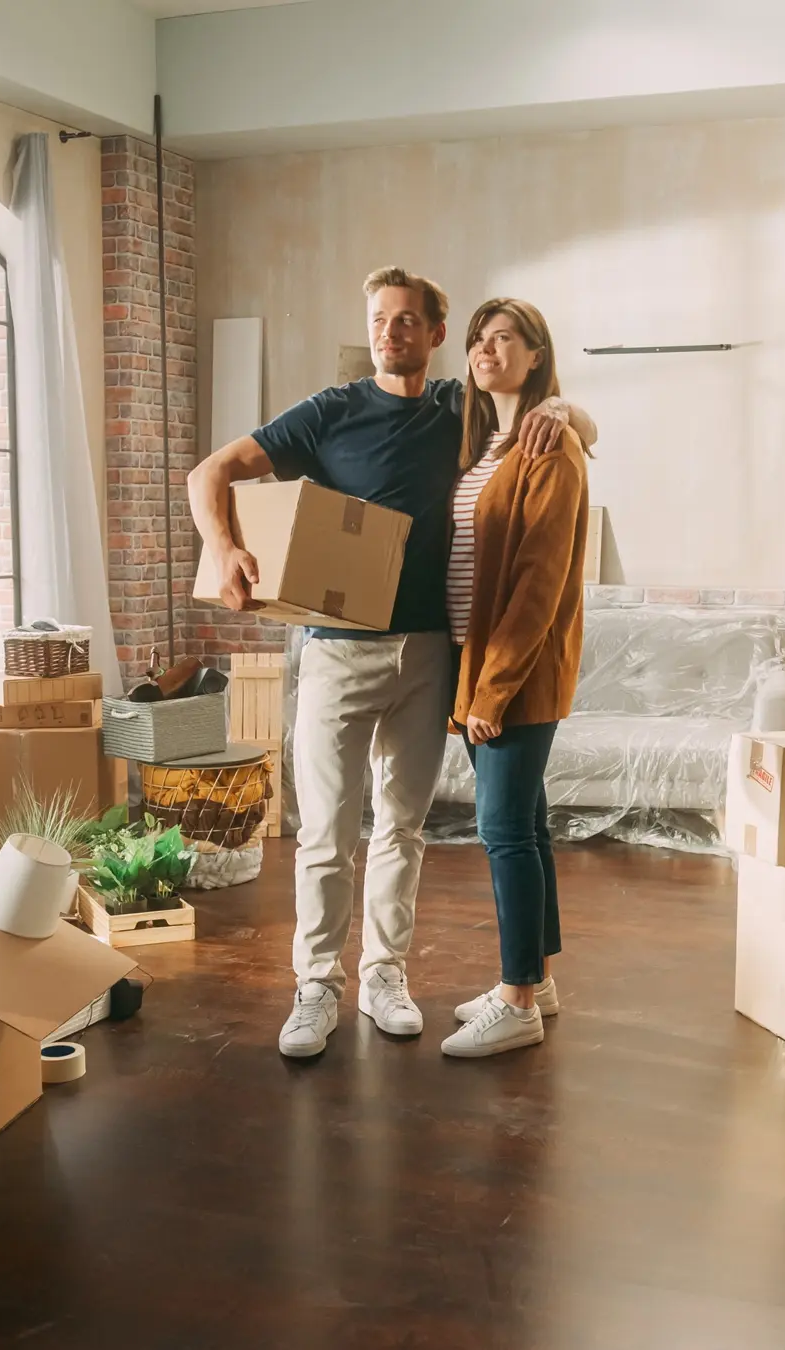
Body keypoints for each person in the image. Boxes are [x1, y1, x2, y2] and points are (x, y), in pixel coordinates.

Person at [187, 267, 594, 1060]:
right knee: (325, 832)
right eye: (379, 319)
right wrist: (224, 544)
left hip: (432, 654)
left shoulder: (461, 409)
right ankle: (314, 988)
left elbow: (565, 426)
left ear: (435, 335)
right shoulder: (328, 411)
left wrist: (560, 408)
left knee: (403, 829)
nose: (390, 333)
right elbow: (211, 473)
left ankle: (385, 977)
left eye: (408, 321)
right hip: (337, 654)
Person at [439, 299, 589, 1059]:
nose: (486, 349)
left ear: (536, 356)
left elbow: (538, 584)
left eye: (505, 339)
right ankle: (540, 981)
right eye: (478, 338)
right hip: (478, 664)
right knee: (527, 828)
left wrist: (493, 692)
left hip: (517, 674)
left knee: (502, 834)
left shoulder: (549, 447)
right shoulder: (484, 443)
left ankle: (517, 1001)